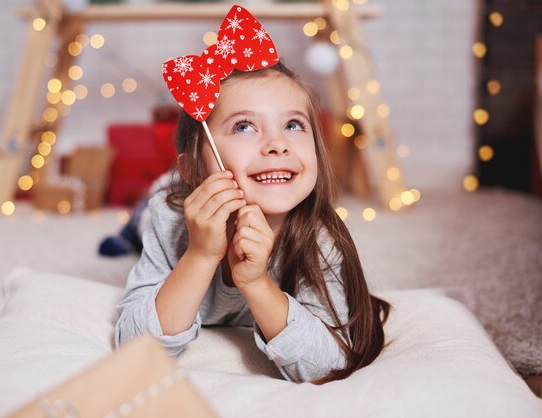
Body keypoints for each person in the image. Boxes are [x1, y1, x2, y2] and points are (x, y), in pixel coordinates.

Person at [115, 61, 390, 384]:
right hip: (166, 198)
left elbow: (329, 363)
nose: (278, 143)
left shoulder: (319, 237)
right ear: (194, 169)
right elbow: (136, 348)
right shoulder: (170, 218)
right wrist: (200, 256)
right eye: (244, 126)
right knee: (144, 213)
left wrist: (257, 282)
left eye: (293, 125)